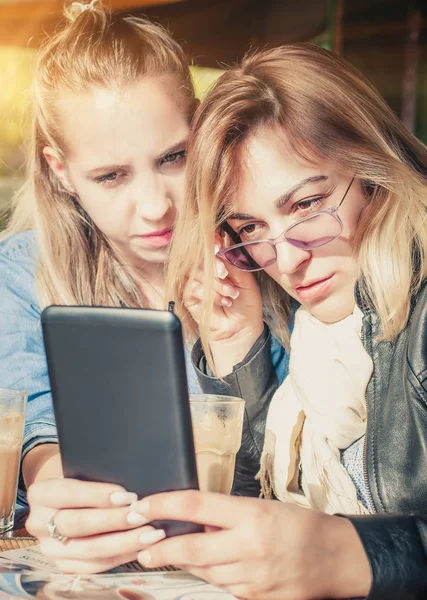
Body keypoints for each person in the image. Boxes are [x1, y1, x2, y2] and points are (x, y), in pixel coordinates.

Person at [126, 45, 427, 599]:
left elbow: (318, 549)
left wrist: (348, 553)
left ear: (373, 174)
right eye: (250, 228)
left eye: (308, 206)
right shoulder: (317, 333)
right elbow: (262, 528)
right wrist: (235, 344)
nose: (285, 261)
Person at [1, 1, 285, 573]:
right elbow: (36, 425)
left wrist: (243, 350)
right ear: (60, 171)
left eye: (174, 157)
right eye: (111, 175)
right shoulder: (21, 271)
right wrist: (65, 502)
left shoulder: (272, 247)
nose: (156, 206)